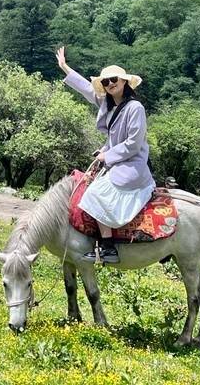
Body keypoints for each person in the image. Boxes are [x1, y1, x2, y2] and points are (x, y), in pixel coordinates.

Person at [56, 46, 154, 264]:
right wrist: (65, 67)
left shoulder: (135, 108)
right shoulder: (108, 104)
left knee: (96, 193)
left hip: (132, 163)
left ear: (124, 82)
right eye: (106, 82)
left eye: (114, 80)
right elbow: (85, 89)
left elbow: (133, 144)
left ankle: (109, 247)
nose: (110, 84)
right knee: (87, 188)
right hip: (117, 161)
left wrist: (107, 155)